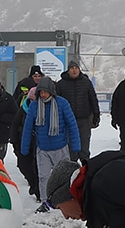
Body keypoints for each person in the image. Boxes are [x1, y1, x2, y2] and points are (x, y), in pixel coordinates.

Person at [21, 76, 80, 212]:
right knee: (44, 177)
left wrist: (76, 146)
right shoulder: (35, 105)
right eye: (41, 92)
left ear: (51, 92)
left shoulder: (62, 103)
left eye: (46, 92)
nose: (43, 95)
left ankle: (65, 200)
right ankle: (45, 202)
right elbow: (28, 127)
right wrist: (25, 147)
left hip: (61, 147)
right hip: (43, 149)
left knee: (65, 177)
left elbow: (72, 125)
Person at [56, 60, 100, 161]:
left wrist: (96, 114)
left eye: (76, 68)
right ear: (68, 70)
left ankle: (86, 171)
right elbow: (57, 103)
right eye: (72, 68)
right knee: (70, 149)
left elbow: (93, 99)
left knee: (84, 147)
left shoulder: (86, 83)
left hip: (84, 120)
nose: (74, 70)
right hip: (67, 121)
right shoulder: (61, 84)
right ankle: (72, 171)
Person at [10, 86, 40, 200]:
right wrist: (14, 142)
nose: (33, 102)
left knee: (37, 168)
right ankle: (32, 184)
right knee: (23, 165)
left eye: (35, 99)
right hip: (23, 143)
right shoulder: (23, 109)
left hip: (38, 143)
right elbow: (15, 125)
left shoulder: (43, 110)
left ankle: (38, 190)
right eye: (31, 99)